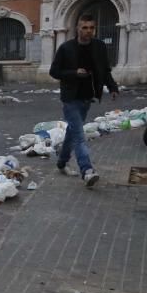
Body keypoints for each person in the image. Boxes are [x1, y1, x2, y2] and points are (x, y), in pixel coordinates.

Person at [49, 14, 119, 188]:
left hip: (88, 97)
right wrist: (74, 73)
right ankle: (87, 171)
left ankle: (61, 163)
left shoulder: (99, 47)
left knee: (72, 133)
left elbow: (105, 69)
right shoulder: (66, 48)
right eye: (84, 27)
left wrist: (112, 87)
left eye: (91, 28)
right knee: (80, 136)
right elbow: (54, 71)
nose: (88, 31)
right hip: (70, 98)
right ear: (77, 29)